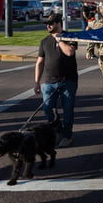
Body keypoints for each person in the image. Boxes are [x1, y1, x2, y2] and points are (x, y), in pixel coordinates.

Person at [33, 14, 78, 148]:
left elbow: (70, 52)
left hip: (68, 81)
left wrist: (59, 40)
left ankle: (67, 136)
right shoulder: (44, 41)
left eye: (51, 23)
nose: (48, 25)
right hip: (49, 81)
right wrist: (36, 81)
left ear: (59, 23)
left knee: (68, 110)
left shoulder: (70, 37)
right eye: (47, 23)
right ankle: (57, 129)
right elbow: (40, 62)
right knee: (48, 109)